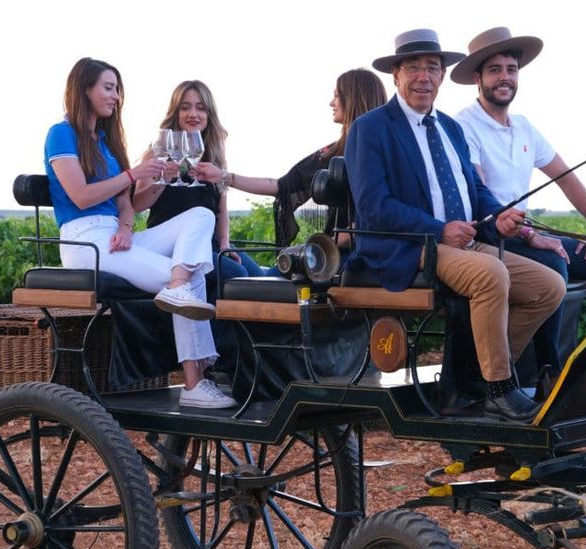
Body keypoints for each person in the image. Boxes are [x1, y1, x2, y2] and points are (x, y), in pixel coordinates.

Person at [344, 30, 566, 421]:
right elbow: (373, 207)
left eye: (433, 68)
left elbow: (475, 190)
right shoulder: (372, 127)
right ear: (395, 75)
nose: (424, 77)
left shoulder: (450, 128)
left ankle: (475, 374)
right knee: (491, 273)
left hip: (460, 246)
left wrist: (500, 216)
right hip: (409, 246)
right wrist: (437, 229)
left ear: (443, 76)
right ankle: (499, 387)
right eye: (413, 68)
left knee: (549, 286)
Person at [44, 58, 235, 410]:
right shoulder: (62, 133)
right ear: (83, 88)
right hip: (84, 240)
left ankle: (178, 289)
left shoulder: (104, 141)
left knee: (200, 214)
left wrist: (127, 223)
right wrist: (134, 175)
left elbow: (127, 204)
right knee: (188, 281)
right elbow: (82, 195)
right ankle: (195, 383)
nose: (115, 96)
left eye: (117, 89)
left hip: (115, 236)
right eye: (108, 87)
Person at [451, 27, 586, 376]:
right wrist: (531, 236)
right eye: (495, 70)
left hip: (526, 235)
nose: (505, 78)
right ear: (478, 78)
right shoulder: (464, 126)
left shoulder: (524, 127)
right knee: (554, 263)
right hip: (490, 238)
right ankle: (549, 372)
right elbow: (479, 196)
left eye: (511, 70)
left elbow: (565, 175)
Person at [199, 68, 388, 250]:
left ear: (353, 99)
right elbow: (281, 186)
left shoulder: (383, 153)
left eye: (337, 96)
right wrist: (223, 176)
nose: (331, 103)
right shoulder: (332, 152)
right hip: (332, 254)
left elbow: (376, 220)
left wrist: (322, 246)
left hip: (359, 258)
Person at [133, 80, 264, 291]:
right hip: (177, 246)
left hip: (211, 243)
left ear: (209, 115)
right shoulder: (157, 153)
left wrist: (224, 243)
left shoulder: (215, 156)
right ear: (175, 113)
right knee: (237, 275)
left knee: (260, 280)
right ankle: (216, 323)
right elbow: (137, 205)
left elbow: (221, 210)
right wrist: (163, 178)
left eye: (201, 108)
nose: (193, 114)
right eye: (185, 107)